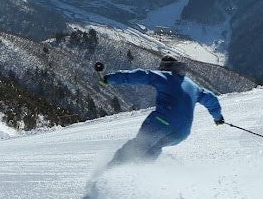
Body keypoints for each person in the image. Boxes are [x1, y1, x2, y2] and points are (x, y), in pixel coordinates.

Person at [95, 54, 223, 165]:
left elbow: (140, 76)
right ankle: (140, 174)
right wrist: (218, 118)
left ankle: (110, 172)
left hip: (163, 121)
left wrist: (108, 79)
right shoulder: (193, 86)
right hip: (182, 132)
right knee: (155, 146)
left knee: (138, 145)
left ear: (166, 66)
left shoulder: (164, 76)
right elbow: (212, 99)